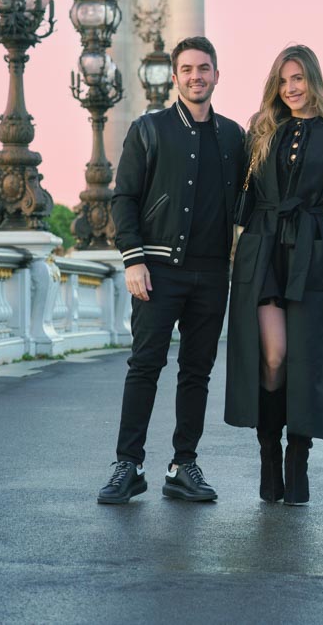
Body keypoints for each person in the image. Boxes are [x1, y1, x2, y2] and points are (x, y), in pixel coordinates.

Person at [97, 36, 245, 505]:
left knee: (197, 372)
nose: (196, 76)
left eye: (204, 68)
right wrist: (133, 258)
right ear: (177, 77)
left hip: (212, 273)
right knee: (145, 366)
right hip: (157, 270)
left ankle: (183, 465)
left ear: (217, 75)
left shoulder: (234, 136)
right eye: (187, 69)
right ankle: (128, 464)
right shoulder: (149, 129)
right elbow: (124, 198)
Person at [225, 45, 323, 506]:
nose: (291, 88)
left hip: (313, 255)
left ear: (313, 80)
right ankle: (269, 454)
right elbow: (237, 196)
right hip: (262, 252)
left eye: (298, 78)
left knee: (305, 363)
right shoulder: (261, 131)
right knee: (273, 356)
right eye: (283, 81)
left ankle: (297, 461)